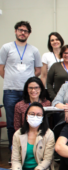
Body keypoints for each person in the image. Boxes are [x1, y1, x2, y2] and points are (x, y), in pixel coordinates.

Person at [0, 21, 42, 155]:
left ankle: (29, 151)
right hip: (10, 91)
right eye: (20, 30)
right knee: (12, 124)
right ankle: (14, 152)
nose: (22, 32)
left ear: (29, 34)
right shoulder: (6, 48)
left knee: (30, 121)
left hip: (28, 93)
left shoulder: (34, 50)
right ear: (15, 31)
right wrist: (12, 78)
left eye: (25, 31)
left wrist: (27, 81)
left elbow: (38, 70)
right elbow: (1, 68)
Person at [0, 103, 56, 170]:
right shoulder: (18, 134)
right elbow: (15, 159)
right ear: (26, 116)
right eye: (32, 114)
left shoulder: (49, 134)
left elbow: (47, 160)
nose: (35, 117)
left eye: (38, 115)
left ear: (42, 118)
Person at [41, 32, 64, 100]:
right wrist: (42, 91)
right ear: (50, 43)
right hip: (50, 89)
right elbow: (44, 75)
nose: (55, 42)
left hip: (64, 88)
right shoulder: (46, 56)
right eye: (52, 40)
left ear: (61, 41)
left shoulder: (67, 55)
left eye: (57, 39)